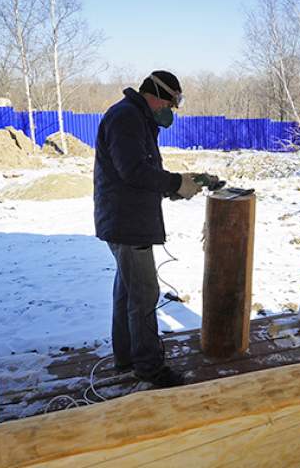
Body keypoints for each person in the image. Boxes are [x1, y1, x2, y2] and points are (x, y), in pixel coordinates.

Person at [93, 70, 202, 388]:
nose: (171, 111)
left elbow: (141, 170)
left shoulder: (136, 117)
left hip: (125, 219)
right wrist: (174, 182)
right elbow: (134, 171)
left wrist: (172, 188)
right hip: (127, 222)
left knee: (127, 292)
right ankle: (150, 368)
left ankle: (126, 358)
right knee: (143, 295)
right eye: (170, 103)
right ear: (157, 95)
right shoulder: (127, 118)